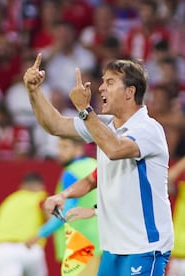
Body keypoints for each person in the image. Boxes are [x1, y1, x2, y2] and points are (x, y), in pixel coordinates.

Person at [23, 54, 174, 275]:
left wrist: (85, 110)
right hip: (113, 249)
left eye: (110, 82)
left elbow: (114, 149)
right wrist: (34, 91)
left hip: (145, 247)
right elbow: (55, 125)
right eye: (102, 81)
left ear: (130, 92)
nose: (101, 88)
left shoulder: (148, 130)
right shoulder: (103, 125)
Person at [26, 138, 99, 275]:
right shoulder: (95, 165)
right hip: (101, 242)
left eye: (65, 147)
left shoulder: (72, 171)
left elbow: (65, 211)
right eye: (59, 147)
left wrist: (39, 234)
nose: (59, 152)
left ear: (78, 150)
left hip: (79, 245)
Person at [0, 172, 49, 276]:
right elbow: (52, 216)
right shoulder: (40, 196)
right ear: (41, 186)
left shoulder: (9, 200)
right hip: (31, 247)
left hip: (3, 249)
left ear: (21, 186)